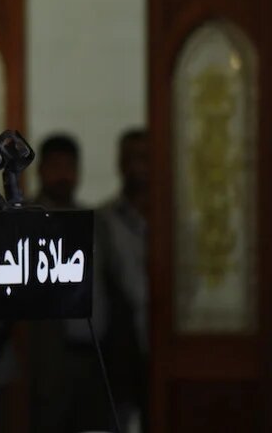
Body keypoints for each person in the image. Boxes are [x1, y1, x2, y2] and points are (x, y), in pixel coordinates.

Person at [28, 133, 112, 432]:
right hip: (47, 359)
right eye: (56, 167)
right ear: (41, 171)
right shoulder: (26, 220)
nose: (63, 175)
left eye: (70, 167)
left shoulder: (96, 221)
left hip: (94, 354)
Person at [96, 128, 149, 431]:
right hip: (121, 346)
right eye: (130, 158)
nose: (137, 166)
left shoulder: (174, 216)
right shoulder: (106, 218)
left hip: (165, 338)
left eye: (144, 158)